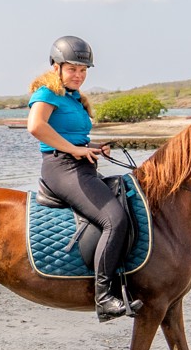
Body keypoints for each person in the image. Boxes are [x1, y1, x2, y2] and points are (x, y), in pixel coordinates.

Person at [27, 35, 141, 322]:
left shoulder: (74, 99)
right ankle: (103, 298)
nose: (78, 75)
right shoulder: (46, 93)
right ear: (56, 67)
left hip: (79, 165)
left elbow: (70, 136)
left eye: (83, 70)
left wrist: (90, 148)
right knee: (114, 220)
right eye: (72, 69)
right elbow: (36, 127)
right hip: (61, 168)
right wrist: (74, 150)